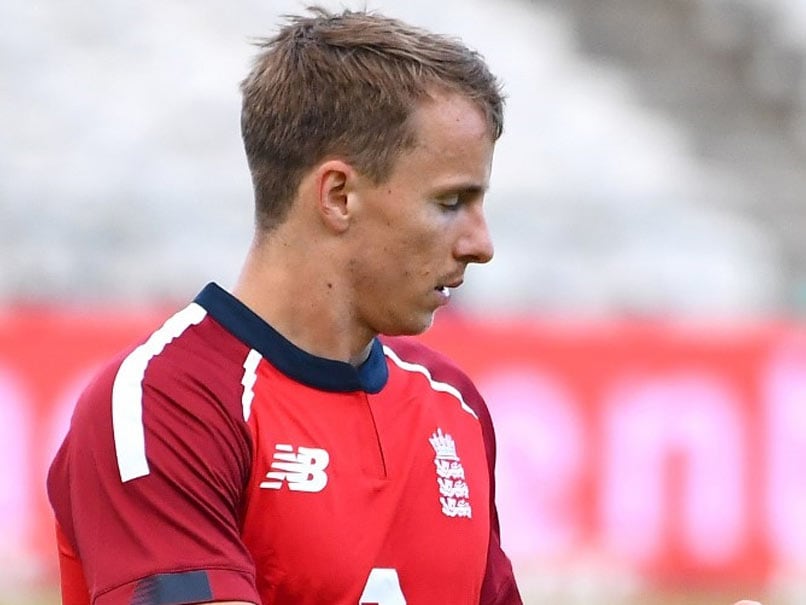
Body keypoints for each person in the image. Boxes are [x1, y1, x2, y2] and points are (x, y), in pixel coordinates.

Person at [47, 7, 522, 605]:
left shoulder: (453, 404)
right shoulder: (168, 402)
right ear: (338, 195)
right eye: (451, 202)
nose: (481, 245)